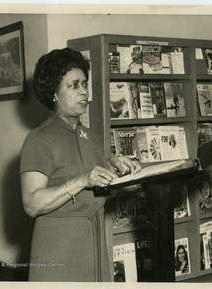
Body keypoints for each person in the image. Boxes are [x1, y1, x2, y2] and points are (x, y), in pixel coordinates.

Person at [20, 47, 141, 282]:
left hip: (94, 243)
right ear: (53, 93)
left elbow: (98, 190)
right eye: (73, 85)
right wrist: (82, 180)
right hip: (59, 247)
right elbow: (32, 204)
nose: (83, 91)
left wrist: (118, 169)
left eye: (84, 84)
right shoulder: (39, 139)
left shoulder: (91, 136)